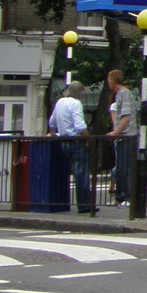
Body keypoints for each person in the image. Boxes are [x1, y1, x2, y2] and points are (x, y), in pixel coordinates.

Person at [48, 81, 94, 213]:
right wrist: (87, 138)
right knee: (81, 173)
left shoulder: (60, 102)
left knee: (64, 172)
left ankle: (60, 202)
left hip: (63, 141)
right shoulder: (76, 104)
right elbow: (80, 126)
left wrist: (52, 134)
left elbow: (52, 122)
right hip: (76, 141)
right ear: (79, 92)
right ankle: (84, 204)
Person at [108, 69, 137, 204]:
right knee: (120, 168)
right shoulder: (120, 94)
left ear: (114, 80)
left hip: (126, 136)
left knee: (124, 167)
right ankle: (120, 197)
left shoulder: (124, 94)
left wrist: (116, 132)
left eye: (109, 80)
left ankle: (126, 196)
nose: (108, 82)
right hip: (123, 136)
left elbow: (126, 117)